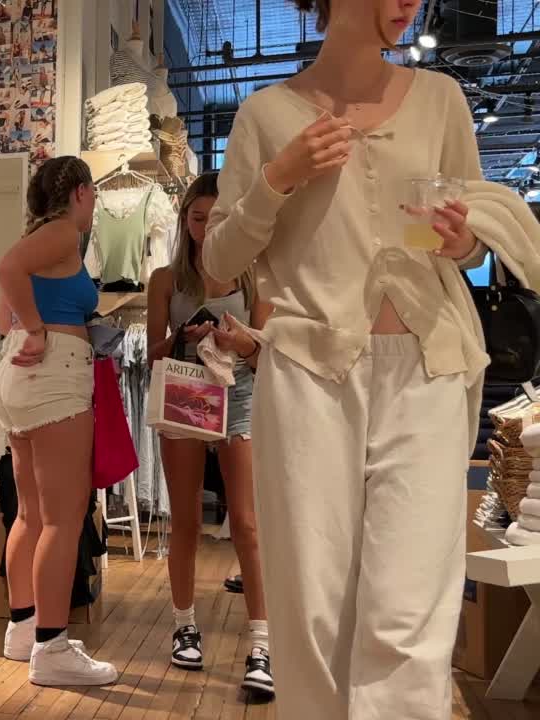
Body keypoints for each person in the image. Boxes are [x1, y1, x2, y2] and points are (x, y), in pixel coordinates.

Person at [204, 1, 502, 717]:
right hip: (309, 374)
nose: (409, 4)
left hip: (427, 367)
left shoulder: (441, 99)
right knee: (313, 611)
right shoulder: (266, 115)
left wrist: (466, 241)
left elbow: (474, 240)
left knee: (410, 612)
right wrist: (276, 180)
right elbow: (216, 263)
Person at [145, 173, 273, 696]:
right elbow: (153, 355)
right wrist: (183, 337)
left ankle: (261, 643)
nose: (205, 229)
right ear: (184, 220)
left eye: (215, 219)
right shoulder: (165, 280)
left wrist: (239, 342)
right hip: (184, 395)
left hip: (239, 397)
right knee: (186, 521)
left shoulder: (255, 276)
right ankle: (185, 626)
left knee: (247, 523)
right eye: (197, 218)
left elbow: (264, 357)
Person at [0, 156, 117, 687]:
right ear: (80, 191)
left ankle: (24, 631)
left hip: (24, 377)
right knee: (64, 518)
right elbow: (6, 269)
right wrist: (41, 330)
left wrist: (30, 327)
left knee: (31, 514)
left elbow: (4, 314)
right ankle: (52, 648)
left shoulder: (42, 236)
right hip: (56, 374)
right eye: (94, 194)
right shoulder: (65, 233)